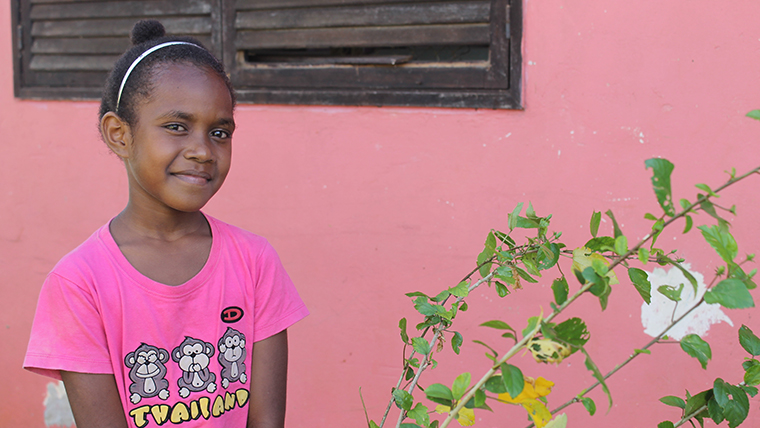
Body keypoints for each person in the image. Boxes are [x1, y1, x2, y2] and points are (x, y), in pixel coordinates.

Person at [23, 20, 308, 428]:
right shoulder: (79, 283)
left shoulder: (254, 261)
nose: (202, 150)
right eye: (177, 126)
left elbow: (266, 420)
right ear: (119, 134)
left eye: (219, 131)